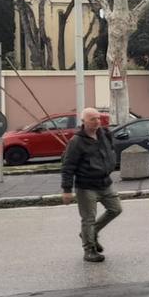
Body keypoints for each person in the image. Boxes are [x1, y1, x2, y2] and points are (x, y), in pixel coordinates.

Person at [60, 107, 122, 262]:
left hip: (105, 182)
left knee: (115, 209)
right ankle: (89, 250)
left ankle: (90, 233)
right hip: (86, 185)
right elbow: (68, 166)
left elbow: (109, 152)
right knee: (88, 219)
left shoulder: (104, 134)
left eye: (98, 118)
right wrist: (66, 190)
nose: (97, 122)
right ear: (83, 122)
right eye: (92, 119)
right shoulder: (76, 141)